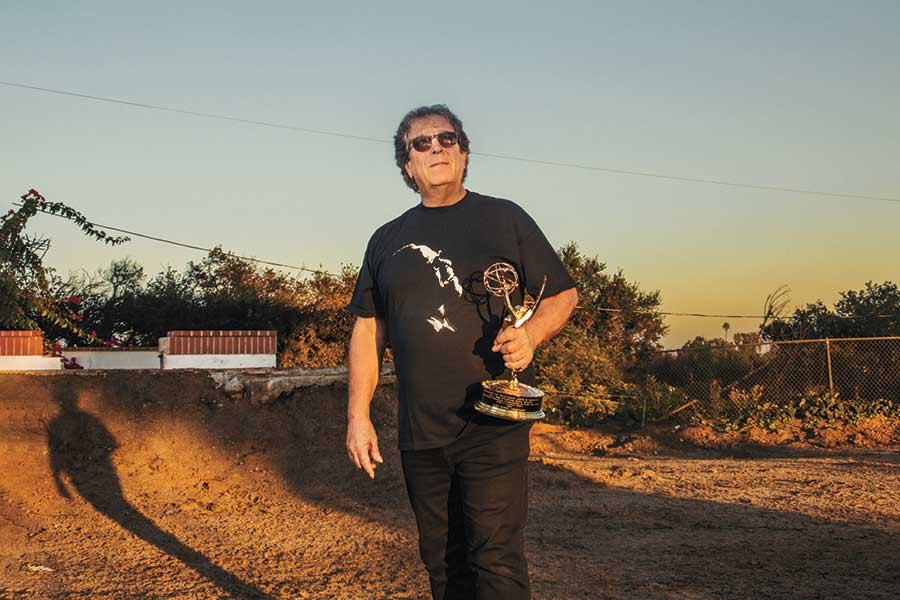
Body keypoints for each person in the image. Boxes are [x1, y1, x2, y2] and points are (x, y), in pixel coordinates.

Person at [346, 104, 578, 600]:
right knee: (442, 563)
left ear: (464, 154)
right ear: (407, 164)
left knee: (495, 559)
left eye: (446, 138)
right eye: (421, 142)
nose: (436, 147)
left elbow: (562, 294)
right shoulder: (385, 240)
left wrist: (532, 335)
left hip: (493, 421)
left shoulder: (504, 218)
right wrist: (357, 417)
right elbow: (368, 331)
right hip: (421, 431)